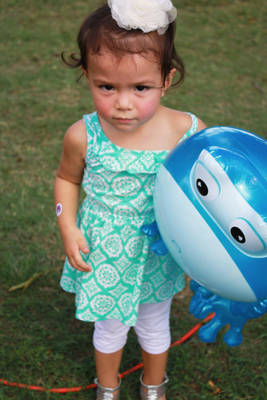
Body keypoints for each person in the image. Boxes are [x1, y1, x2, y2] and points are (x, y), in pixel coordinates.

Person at [54, 1, 206, 399]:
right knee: (109, 326)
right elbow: (67, 179)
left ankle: (153, 387)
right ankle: (108, 388)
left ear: (166, 79)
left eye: (141, 88)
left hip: (158, 250)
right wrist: (68, 226)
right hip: (104, 250)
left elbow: (206, 193)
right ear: (88, 76)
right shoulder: (83, 135)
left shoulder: (186, 131)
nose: (123, 103)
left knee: (155, 321)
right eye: (107, 87)